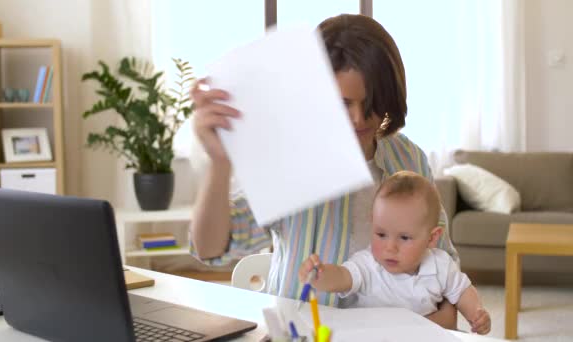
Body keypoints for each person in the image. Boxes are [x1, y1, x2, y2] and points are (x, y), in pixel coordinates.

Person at [189, 14, 460, 328]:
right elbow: (210, 249)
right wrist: (220, 164)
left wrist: (445, 316)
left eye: (370, 102)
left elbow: (441, 256)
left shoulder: (408, 157)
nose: (359, 119)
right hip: (306, 331)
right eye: (343, 103)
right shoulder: (290, 160)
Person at [299, 171, 491, 335]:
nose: (390, 247)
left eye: (404, 238)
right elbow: (342, 277)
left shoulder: (440, 265)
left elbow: (463, 291)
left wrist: (476, 313)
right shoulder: (368, 265)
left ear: (431, 238)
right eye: (381, 234)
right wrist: (320, 275)